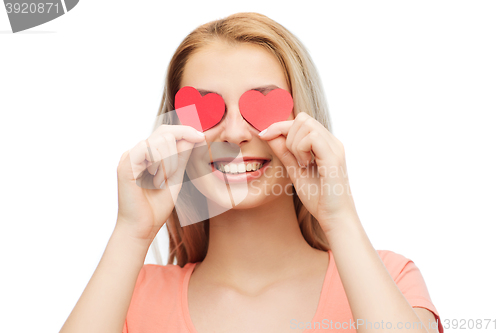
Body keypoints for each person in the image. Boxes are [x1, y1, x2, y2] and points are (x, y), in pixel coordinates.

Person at [59, 12, 443, 333]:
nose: (235, 134)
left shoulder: (390, 278)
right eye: (208, 109)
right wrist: (132, 231)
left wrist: (339, 217)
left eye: (261, 106)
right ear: (175, 132)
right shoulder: (130, 296)